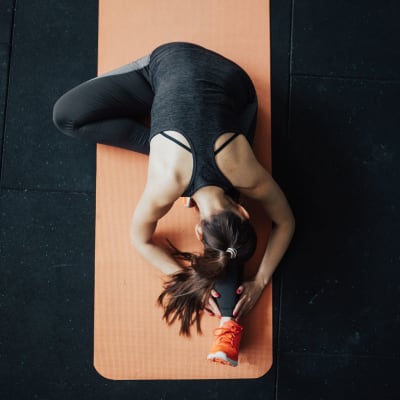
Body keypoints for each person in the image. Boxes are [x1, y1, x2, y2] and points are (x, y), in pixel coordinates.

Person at [53, 42, 295, 367]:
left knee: (227, 246)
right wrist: (187, 278)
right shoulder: (170, 183)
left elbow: (285, 221)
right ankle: (228, 318)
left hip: (232, 85)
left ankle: (228, 324)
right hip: (170, 62)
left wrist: (258, 278)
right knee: (67, 118)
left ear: (243, 211)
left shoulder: (245, 173)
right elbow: (138, 239)